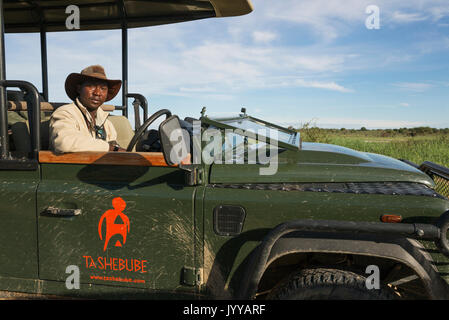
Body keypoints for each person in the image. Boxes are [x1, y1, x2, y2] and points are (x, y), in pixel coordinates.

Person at [49, 65, 126, 153]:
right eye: (91, 86)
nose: (97, 93)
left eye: (103, 88)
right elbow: (64, 143)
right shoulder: (65, 113)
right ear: (79, 89)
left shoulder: (107, 123)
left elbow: (115, 150)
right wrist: (109, 148)